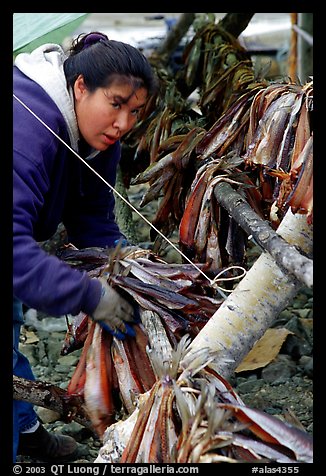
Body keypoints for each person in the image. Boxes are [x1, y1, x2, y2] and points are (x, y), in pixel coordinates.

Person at [13, 31, 157, 463]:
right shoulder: (28, 131)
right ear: (80, 87)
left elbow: (94, 223)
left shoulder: (98, 138)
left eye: (135, 112)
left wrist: (132, 272)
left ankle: (27, 430)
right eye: (116, 104)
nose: (124, 124)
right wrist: (88, 295)